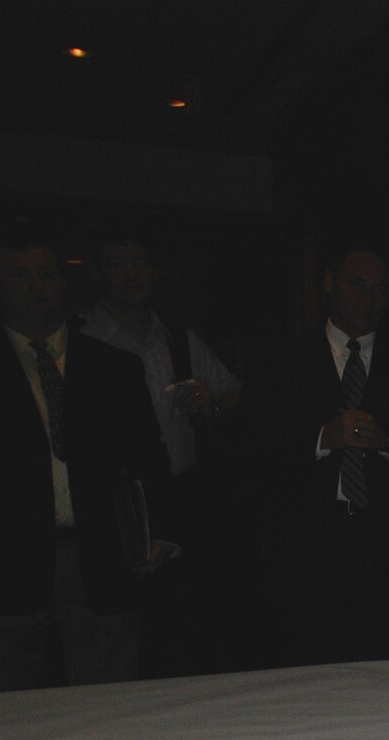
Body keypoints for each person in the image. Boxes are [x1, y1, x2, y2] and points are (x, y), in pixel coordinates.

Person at [0, 231, 171, 691]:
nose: (36, 286)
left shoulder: (112, 365)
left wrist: (158, 532)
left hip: (103, 558)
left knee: (108, 700)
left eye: (46, 275)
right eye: (20, 276)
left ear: (64, 283)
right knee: (1, 702)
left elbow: (149, 458)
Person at [243, 242, 389, 665]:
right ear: (330, 284)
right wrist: (323, 438)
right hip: (309, 547)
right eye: (357, 285)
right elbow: (253, 448)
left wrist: (388, 443)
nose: (368, 299)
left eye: (380, 289)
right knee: (312, 669)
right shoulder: (281, 362)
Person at [80, 233, 245, 675]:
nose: (131, 274)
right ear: (98, 273)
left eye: (140, 262)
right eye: (118, 262)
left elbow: (235, 396)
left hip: (184, 493)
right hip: (114, 502)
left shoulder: (177, 338)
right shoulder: (82, 338)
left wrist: (207, 399)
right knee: (117, 632)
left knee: (188, 628)